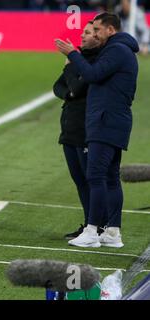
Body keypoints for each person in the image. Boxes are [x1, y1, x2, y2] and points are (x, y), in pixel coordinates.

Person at [55, 12, 139, 248]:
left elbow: (91, 75)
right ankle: (112, 232)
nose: (95, 34)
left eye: (98, 30)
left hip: (106, 121)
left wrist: (72, 54)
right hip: (112, 121)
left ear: (110, 30)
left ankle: (93, 231)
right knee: (110, 177)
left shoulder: (117, 50)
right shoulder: (120, 49)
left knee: (96, 175)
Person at [53, 21, 106, 240]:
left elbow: (76, 86)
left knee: (90, 179)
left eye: (88, 32)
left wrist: (69, 65)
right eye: (83, 32)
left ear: (98, 36)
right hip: (70, 128)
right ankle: (90, 225)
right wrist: (70, 93)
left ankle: (98, 226)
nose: (82, 36)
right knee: (79, 180)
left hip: (86, 129)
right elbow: (58, 87)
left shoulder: (95, 62)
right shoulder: (79, 60)